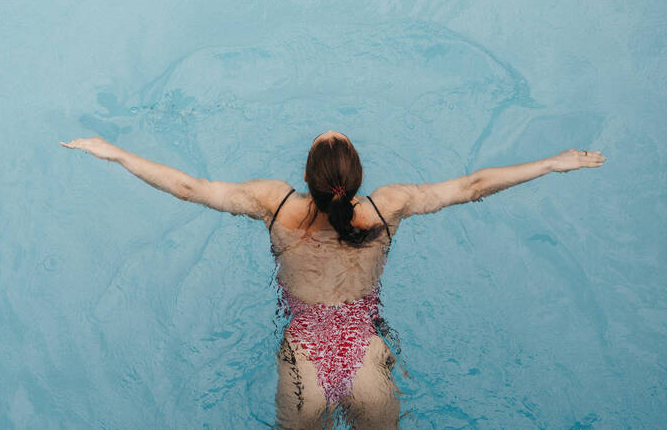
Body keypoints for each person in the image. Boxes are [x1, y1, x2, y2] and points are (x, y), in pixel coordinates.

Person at [60, 131, 606, 428]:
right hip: (364, 355)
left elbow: (187, 187)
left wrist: (116, 154)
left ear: (306, 179)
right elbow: (474, 185)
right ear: (358, 181)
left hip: (303, 361)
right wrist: (551, 164)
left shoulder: (272, 204)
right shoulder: (388, 207)